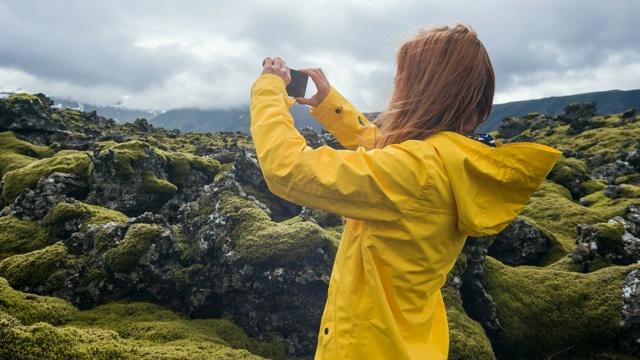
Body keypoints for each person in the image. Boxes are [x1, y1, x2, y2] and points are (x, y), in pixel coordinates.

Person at [250, 24, 560, 360]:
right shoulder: (457, 157)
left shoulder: (417, 169)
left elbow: (287, 169)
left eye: (402, 81)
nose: (396, 88)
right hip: (413, 342)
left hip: (368, 347)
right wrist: (332, 107)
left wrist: (269, 90)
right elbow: (391, 161)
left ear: (425, 90)